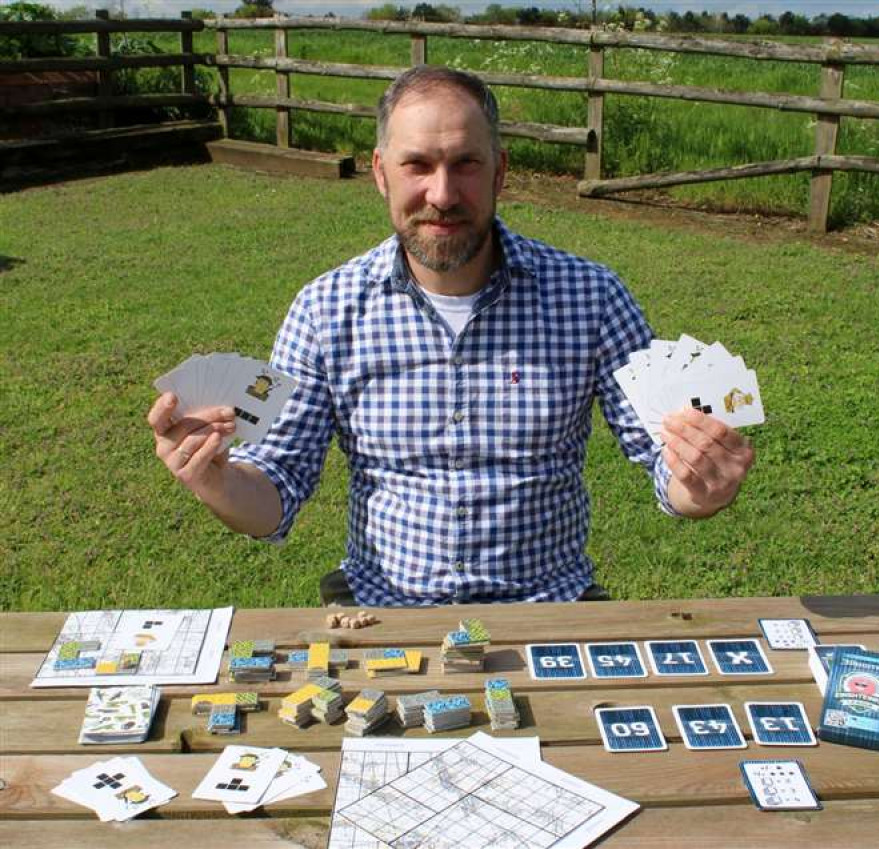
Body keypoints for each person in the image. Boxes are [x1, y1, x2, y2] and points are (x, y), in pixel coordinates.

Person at [147, 65, 755, 608]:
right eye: (418, 165)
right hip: (384, 611)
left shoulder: (591, 295)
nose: (442, 195)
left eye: (466, 163)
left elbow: (661, 455)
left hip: (549, 607)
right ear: (382, 174)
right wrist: (217, 479)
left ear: (501, 173)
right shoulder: (324, 308)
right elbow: (275, 488)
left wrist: (698, 485)